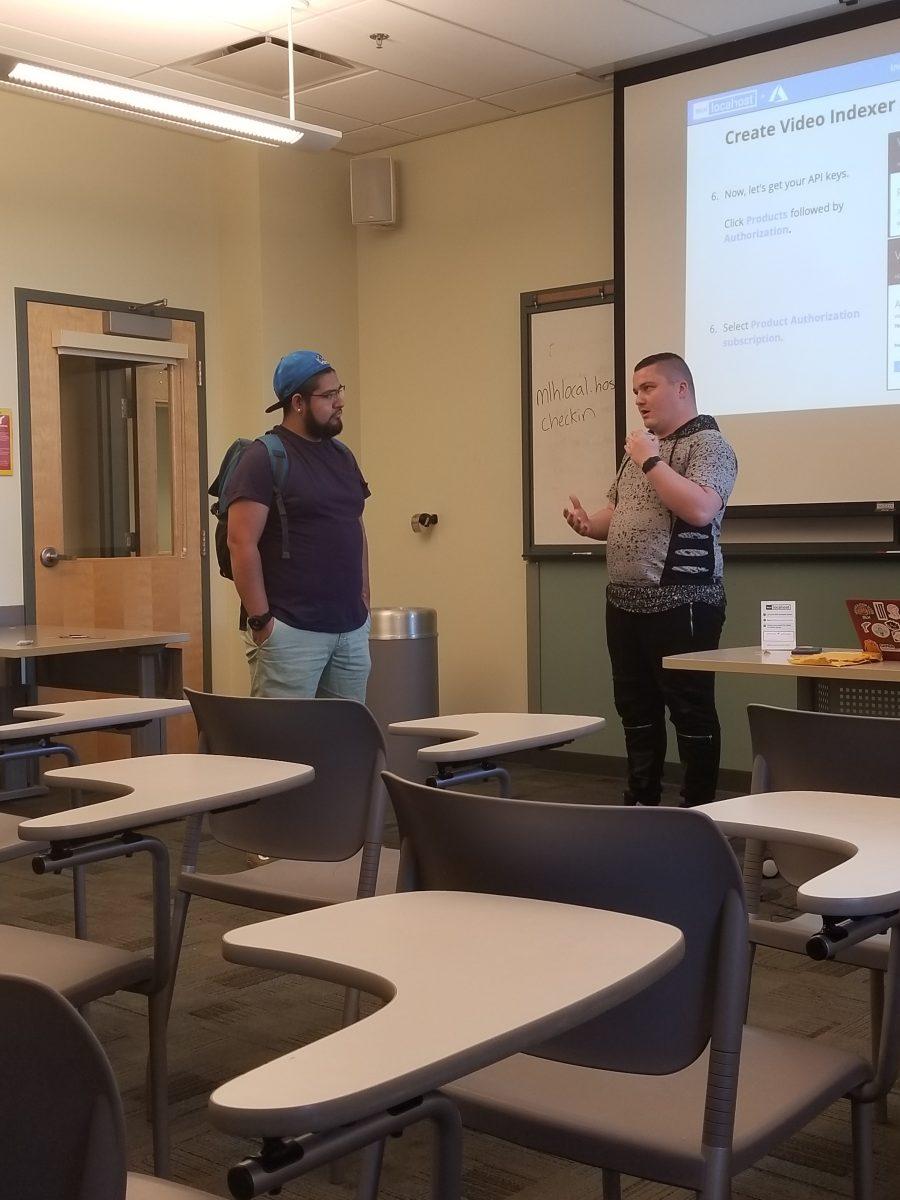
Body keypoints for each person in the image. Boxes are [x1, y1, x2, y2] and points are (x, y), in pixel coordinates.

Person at [563, 352, 737, 807]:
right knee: (635, 708)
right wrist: (588, 524)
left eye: (648, 387)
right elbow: (618, 515)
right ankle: (642, 800)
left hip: (684, 603)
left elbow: (700, 508)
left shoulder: (709, 446)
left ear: (681, 389)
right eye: (635, 390)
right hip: (624, 602)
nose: (638, 399)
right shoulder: (644, 449)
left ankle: (697, 811)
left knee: (690, 711)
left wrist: (651, 462)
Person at [226, 349, 371, 701]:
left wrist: (365, 599)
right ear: (298, 402)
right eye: (328, 395)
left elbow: (355, 528)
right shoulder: (263, 457)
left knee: (344, 745)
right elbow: (240, 542)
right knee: (284, 749)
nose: (340, 402)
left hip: (350, 630)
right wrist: (262, 623)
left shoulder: (343, 457)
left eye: (340, 391)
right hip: (291, 632)